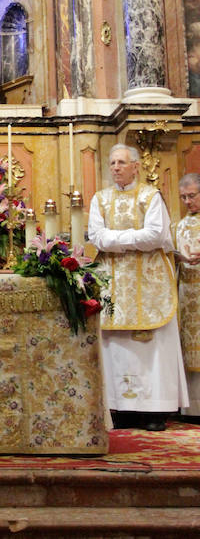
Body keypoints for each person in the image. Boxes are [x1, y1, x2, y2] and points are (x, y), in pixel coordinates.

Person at [88, 143, 188, 431]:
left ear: (135, 166)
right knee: (116, 346)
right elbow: (96, 236)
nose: (116, 167)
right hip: (114, 282)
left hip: (149, 281)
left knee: (152, 344)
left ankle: (155, 409)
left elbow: (155, 235)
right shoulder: (101, 199)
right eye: (112, 163)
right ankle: (121, 408)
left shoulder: (150, 196)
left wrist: (117, 239)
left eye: (122, 162)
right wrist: (132, 239)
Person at [175, 173, 200, 418]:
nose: (187, 201)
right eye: (183, 197)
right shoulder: (181, 224)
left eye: (192, 196)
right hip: (187, 292)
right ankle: (192, 407)